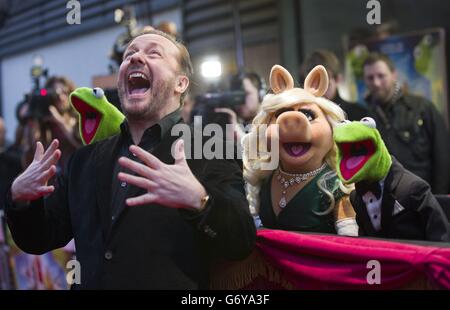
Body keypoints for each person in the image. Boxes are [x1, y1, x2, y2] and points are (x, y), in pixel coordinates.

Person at [5, 29, 256, 289]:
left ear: (180, 84)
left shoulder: (208, 148)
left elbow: (240, 242)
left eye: (153, 53)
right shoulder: (85, 160)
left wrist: (200, 201)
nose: (135, 58)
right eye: (130, 54)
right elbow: (39, 238)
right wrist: (20, 199)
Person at [362, 52, 450, 194]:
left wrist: (439, 198)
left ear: (393, 74)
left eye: (381, 76)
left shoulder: (422, 107)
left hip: (425, 195)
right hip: (388, 200)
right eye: (370, 78)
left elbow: (443, 155)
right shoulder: (364, 118)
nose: (376, 83)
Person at [301, 50, 368, 121]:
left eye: (325, 85)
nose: (319, 92)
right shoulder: (303, 115)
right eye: (313, 86)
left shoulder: (359, 114)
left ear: (338, 79)